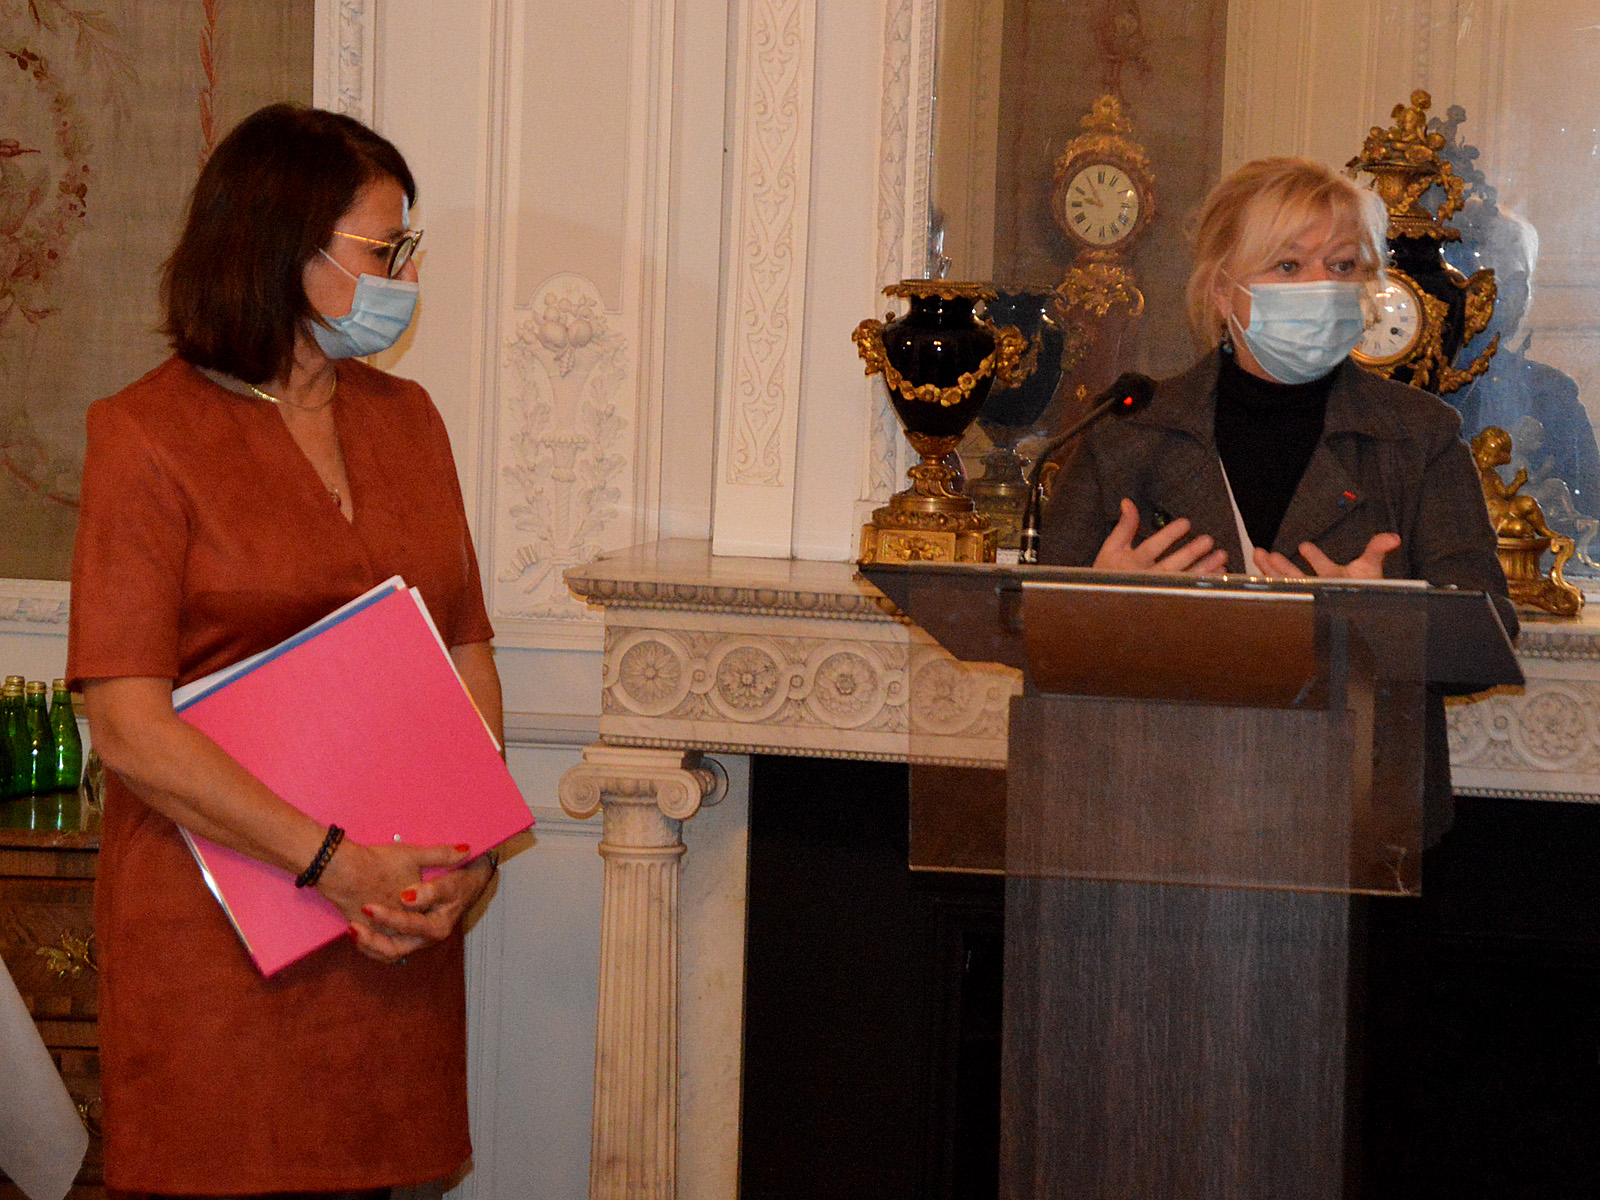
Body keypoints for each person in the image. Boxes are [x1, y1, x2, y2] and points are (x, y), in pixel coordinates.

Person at [66, 104, 503, 1195]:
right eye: (383, 250)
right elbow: (126, 725)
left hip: (389, 929)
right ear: (283, 247)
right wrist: (332, 865)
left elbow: (464, 648)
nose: (405, 276)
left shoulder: (409, 419)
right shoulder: (144, 433)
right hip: (219, 937)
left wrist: (470, 856)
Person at [1037, 156, 1515, 843]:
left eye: (1343, 265)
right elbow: (1027, 632)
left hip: (1356, 825)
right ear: (1222, 292)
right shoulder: (1131, 431)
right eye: (1288, 266)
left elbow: (1487, 640)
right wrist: (1099, 605)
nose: (1321, 286)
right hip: (1156, 814)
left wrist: (1386, 620)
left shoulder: (1419, 436)